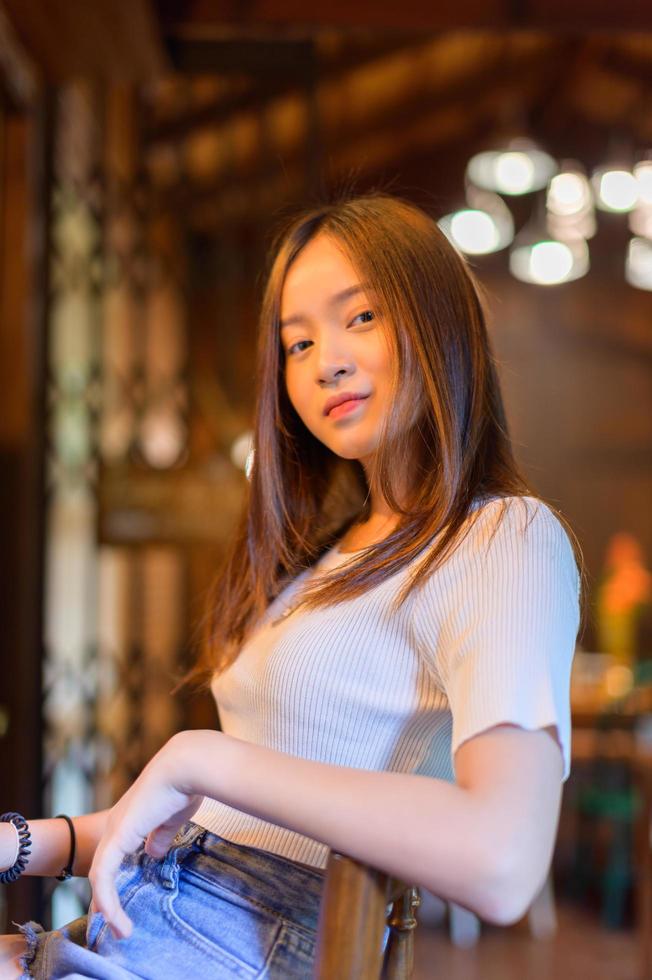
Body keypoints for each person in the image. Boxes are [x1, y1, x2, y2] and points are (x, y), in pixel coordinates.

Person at [0, 191, 585, 979]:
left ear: (440, 319)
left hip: (238, 944)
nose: (326, 362)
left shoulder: (501, 537)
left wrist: (197, 757)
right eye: (297, 343)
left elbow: (503, 859)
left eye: (363, 318)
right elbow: (204, 821)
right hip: (154, 913)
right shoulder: (329, 554)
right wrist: (21, 845)